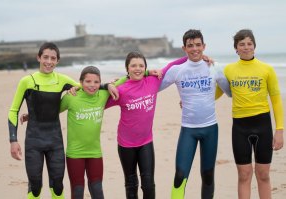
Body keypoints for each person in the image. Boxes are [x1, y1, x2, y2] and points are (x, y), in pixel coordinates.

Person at [105, 51, 190, 199]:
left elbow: (172, 65)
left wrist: (194, 56)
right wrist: (107, 85)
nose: (137, 68)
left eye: (141, 65)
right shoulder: (121, 90)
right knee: (131, 184)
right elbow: (99, 103)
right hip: (126, 144)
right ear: (127, 69)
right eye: (133, 66)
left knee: (149, 184)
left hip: (145, 142)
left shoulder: (153, 80)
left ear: (145, 68)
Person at [159, 29, 231, 199]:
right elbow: (151, 89)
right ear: (184, 48)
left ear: (204, 46)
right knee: (179, 176)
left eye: (198, 45)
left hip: (210, 129)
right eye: (190, 46)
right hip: (188, 131)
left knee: (207, 176)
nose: (195, 49)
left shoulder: (214, 67)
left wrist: (209, 98)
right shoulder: (177, 70)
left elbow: (230, 92)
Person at [8, 42, 80, 199]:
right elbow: (13, 111)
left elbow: (88, 88)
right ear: (38, 58)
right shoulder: (27, 81)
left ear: (57, 61)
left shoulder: (62, 80)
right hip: (34, 140)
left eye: (53, 58)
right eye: (45, 57)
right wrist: (13, 140)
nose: (49, 61)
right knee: (35, 186)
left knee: (58, 186)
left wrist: (108, 85)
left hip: (55, 141)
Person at [223, 29, 284, 199]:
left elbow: (276, 101)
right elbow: (214, 94)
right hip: (240, 127)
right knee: (244, 174)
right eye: (241, 44)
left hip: (263, 125)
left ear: (254, 46)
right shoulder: (228, 70)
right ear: (236, 48)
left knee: (263, 174)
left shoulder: (267, 69)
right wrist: (191, 102)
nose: (246, 47)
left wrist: (279, 130)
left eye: (249, 43)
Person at [59, 66, 124, 199]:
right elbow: (51, 111)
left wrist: (147, 72)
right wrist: (31, 115)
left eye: (96, 82)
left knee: (97, 190)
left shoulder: (103, 94)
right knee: (77, 191)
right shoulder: (71, 97)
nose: (92, 85)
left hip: (95, 153)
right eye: (88, 81)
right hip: (75, 153)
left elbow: (127, 78)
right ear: (81, 82)